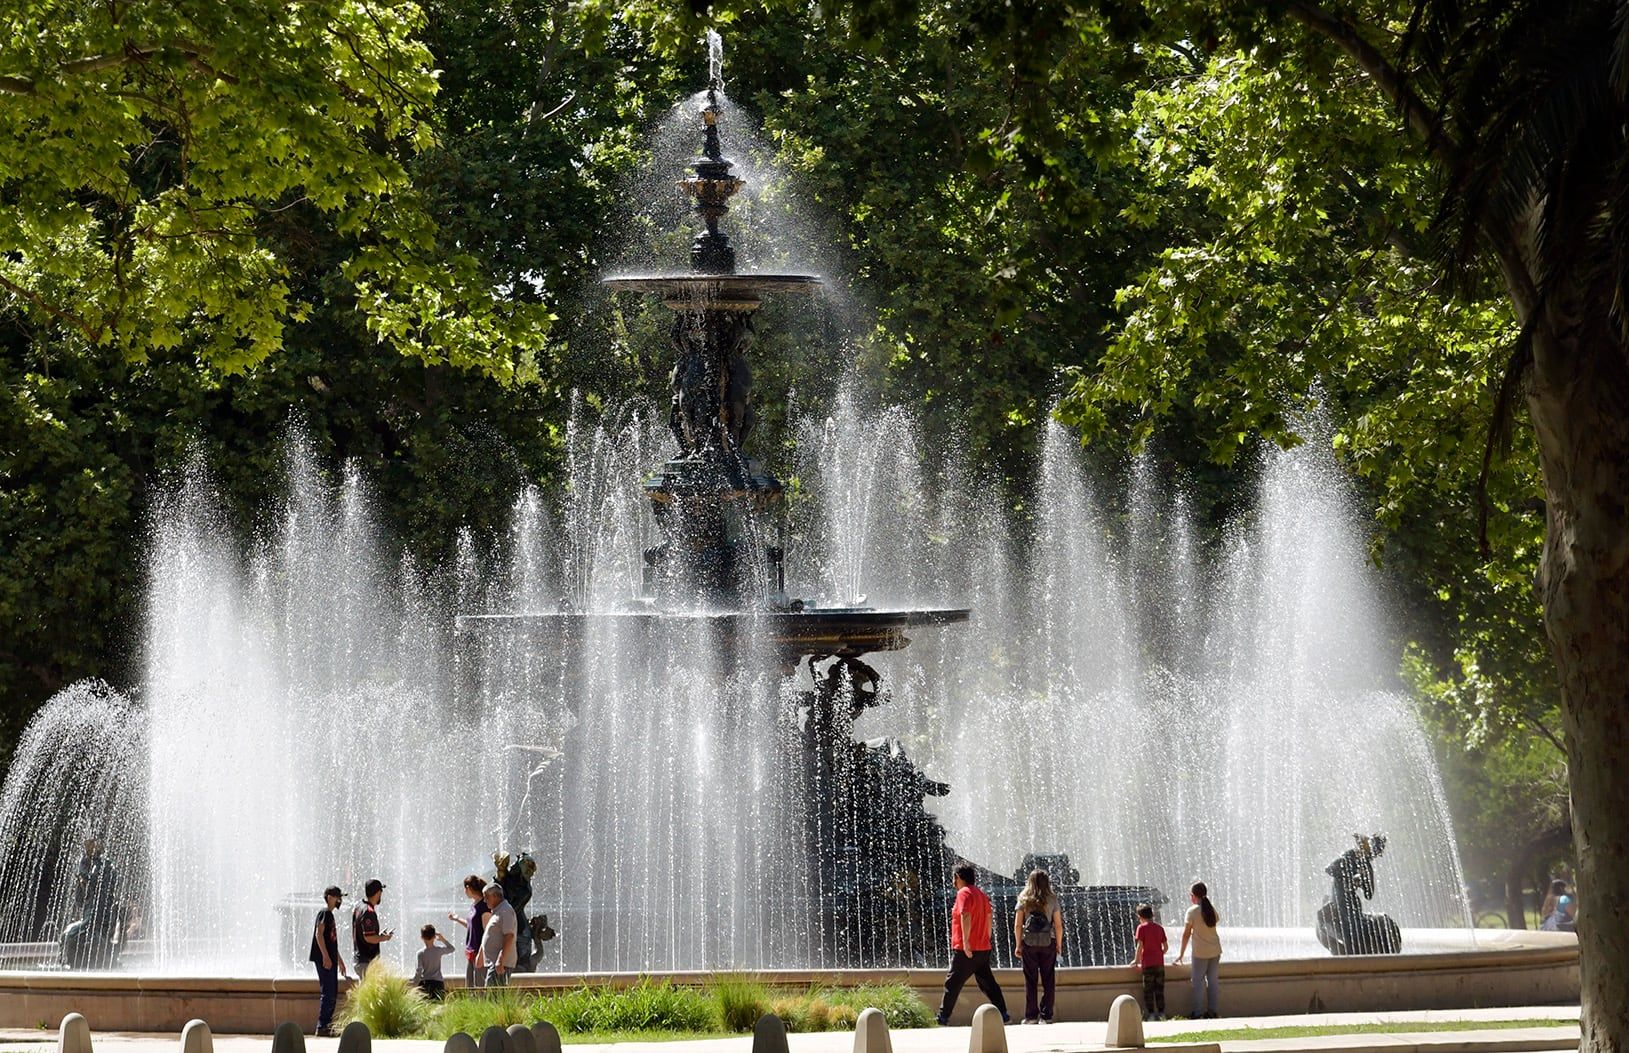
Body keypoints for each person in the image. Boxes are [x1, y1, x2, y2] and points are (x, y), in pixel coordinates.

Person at [936, 861, 1009, 1026]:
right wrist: (987, 938)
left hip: (966, 949)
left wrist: (967, 943)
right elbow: (989, 917)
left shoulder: (964, 893)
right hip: (983, 948)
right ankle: (1003, 1013)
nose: (953, 882)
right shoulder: (981, 894)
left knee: (952, 982)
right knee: (987, 983)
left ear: (959, 877)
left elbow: (965, 915)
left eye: (954, 878)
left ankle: (943, 1017)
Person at [1012, 868, 1062, 1024]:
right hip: (1049, 942)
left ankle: (1031, 1016)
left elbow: (1018, 925)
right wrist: (1059, 944)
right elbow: (1058, 925)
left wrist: (1018, 944)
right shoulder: (1052, 899)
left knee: (1030, 979)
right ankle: (1046, 1016)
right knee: (1049, 979)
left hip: (1029, 943)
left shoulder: (1024, 898)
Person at [309, 886, 352, 1036]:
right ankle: (322, 1026)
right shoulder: (324, 913)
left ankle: (326, 1025)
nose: (339, 900)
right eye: (337, 897)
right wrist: (326, 957)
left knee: (332, 992)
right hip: (324, 959)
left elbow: (331, 942)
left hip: (330, 959)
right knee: (328, 992)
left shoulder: (330, 915)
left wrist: (339, 960)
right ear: (329, 897)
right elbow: (318, 935)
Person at [1175, 881, 1221, 1019]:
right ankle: (1213, 1011)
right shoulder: (1211, 909)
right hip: (1215, 950)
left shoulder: (1192, 911)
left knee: (1197, 981)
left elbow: (1186, 934)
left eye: (1190, 895)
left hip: (1200, 952)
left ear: (1194, 896)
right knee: (1213, 981)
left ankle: (1198, 1012)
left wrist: (1181, 954)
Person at [447, 874, 491, 990]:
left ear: (468, 888)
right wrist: (457, 919)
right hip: (471, 952)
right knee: (470, 987)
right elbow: (472, 926)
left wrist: (482, 955)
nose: (464, 891)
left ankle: (482, 1008)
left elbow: (487, 933)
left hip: (479, 952)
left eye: (464, 888)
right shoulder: (474, 905)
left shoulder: (484, 907)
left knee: (479, 988)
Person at [474, 882, 517, 987]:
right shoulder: (497, 911)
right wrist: (481, 954)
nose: (484, 901)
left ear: (495, 896)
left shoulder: (506, 911)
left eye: (486, 897)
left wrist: (501, 959)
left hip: (500, 964)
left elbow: (509, 936)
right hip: (494, 963)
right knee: (492, 994)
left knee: (493, 996)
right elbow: (490, 934)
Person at [1129, 903, 1167, 1020]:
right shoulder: (1159, 928)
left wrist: (1136, 960)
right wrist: (1159, 954)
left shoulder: (1141, 928)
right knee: (1159, 989)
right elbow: (1165, 947)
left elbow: (1140, 946)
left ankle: (1151, 1014)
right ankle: (1162, 1014)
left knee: (1148, 990)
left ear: (1140, 916)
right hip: (1159, 964)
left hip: (1148, 964)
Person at [351, 878, 395, 979]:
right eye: (380, 892)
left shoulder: (359, 906)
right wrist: (385, 938)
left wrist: (379, 935)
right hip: (366, 961)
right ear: (378, 893)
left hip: (360, 959)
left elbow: (364, 933)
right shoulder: (368, 911)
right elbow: (369, 937)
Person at [413, 924, 455, 1000]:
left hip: (425, 983)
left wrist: (414, 984)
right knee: (438, 1006)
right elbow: (452, 949)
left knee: (425, 1007)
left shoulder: (420, 953)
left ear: (422, 938)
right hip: (438, 983)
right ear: (434, 937)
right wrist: (443, 939)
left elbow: (418, 970)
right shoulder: (439, 950)